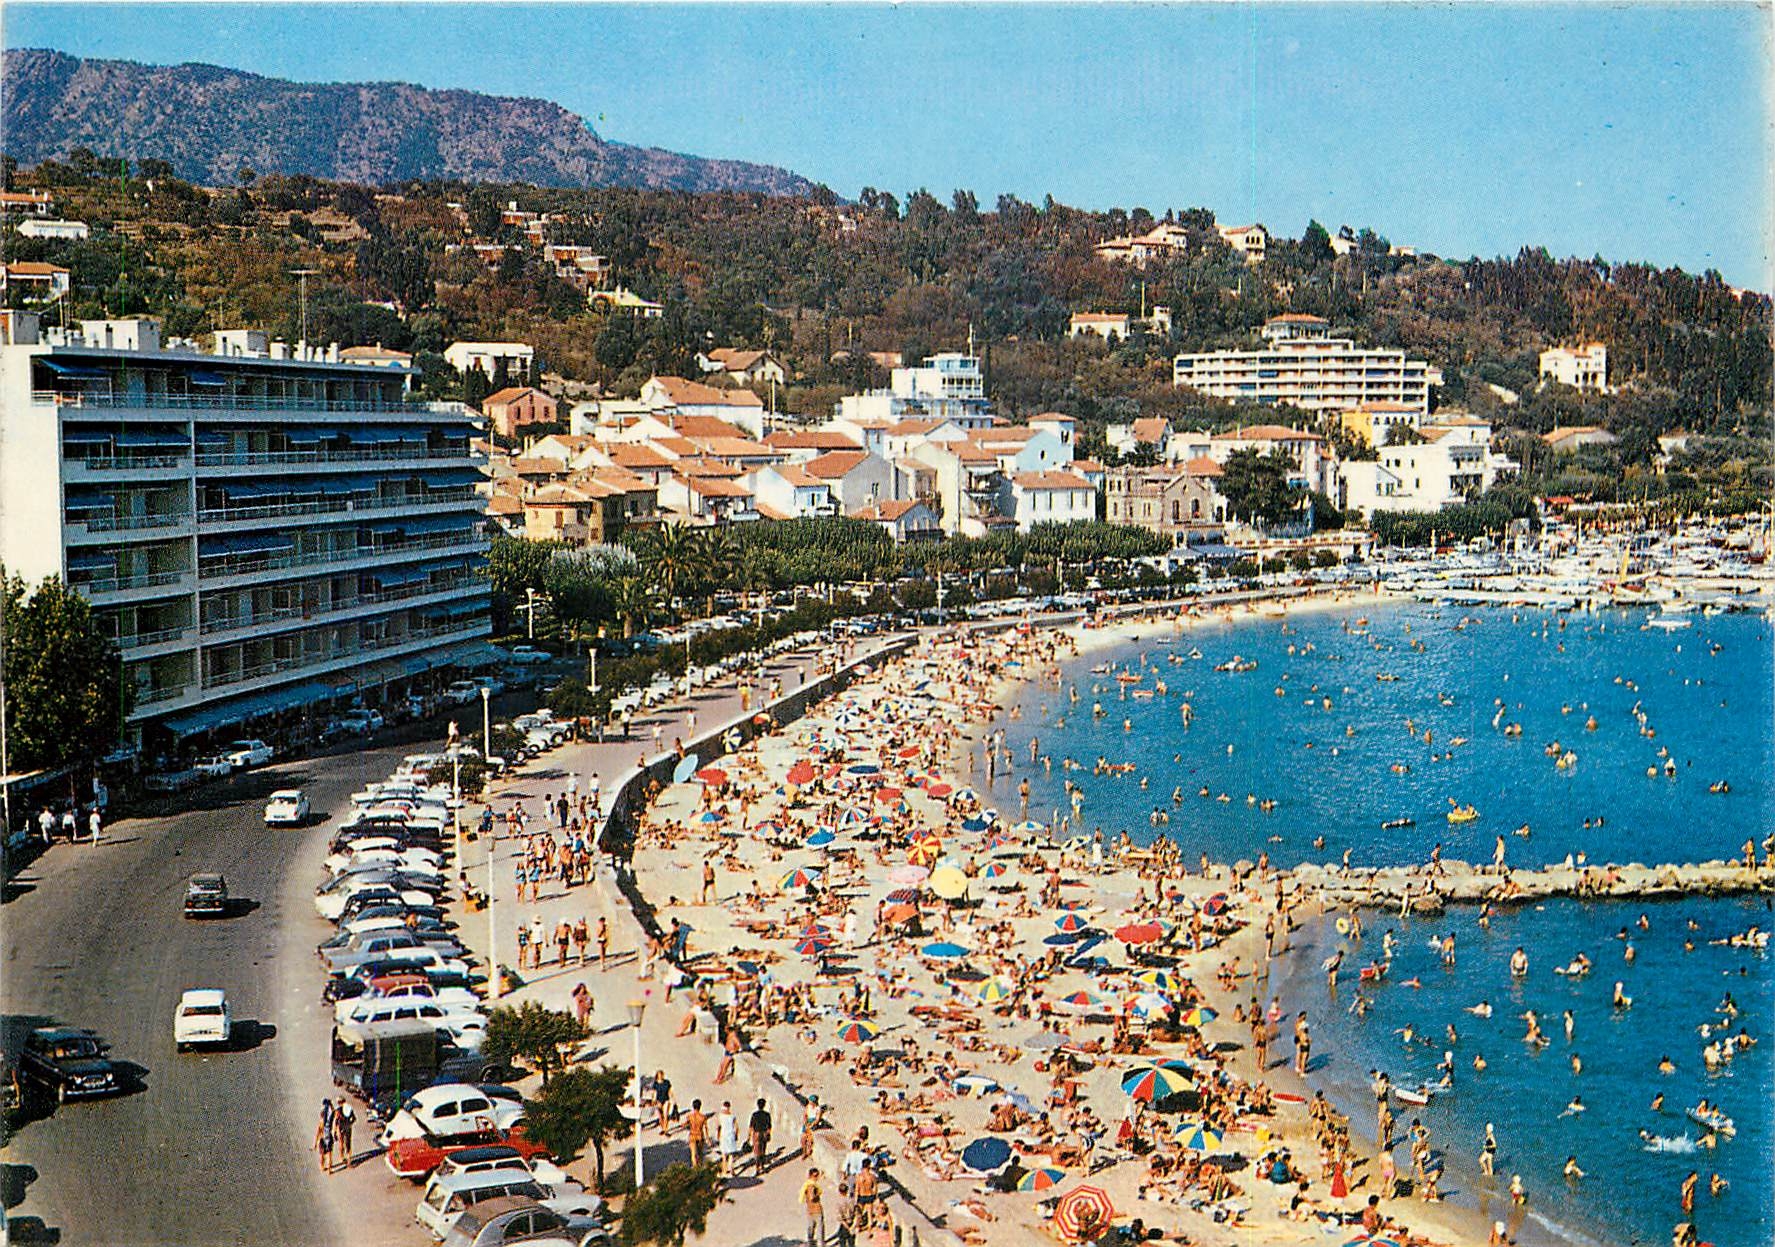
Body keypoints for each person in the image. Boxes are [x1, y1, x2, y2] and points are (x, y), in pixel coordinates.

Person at [799, 1167, 827, 1247]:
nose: (817, 1177)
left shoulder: (806, 1185)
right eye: (815, 1176)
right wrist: (817, 1194)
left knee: (810, 1228)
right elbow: (812, 1197)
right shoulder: (812, 1186)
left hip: (809, 1210)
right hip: (817, 1209)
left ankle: (810, 1243)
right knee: (820, 1228)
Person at [716, 1101, 741, 1176]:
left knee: (724, 1155)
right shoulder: (732, 1116)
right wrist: (736, 1135)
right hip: (731, 1135)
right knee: (731, 1154)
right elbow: (737, 1127)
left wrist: (718, 1136)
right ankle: (731, 1170)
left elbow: (718, 1127)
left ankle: (724, 1170)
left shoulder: (720, 1116)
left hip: (724, 1136)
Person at [749, 1097, 773, 1174]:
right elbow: (769, 1126)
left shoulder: (754, 1115)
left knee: (757, 1152)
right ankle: (762, 1166)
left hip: (757, 1134)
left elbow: (751, 1126)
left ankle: (757, 1168)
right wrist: (768, 1134)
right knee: (763, 1150)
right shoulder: (767, 1115)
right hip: (764, 1133)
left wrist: (749, 1136)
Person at [314, 1100, 337, 1173]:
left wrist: (315, 1144)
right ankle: (330, 1170)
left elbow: (318, 1133)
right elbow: (334, 1112)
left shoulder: (321, 1123)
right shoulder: (329, 1122)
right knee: (330, 1154)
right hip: (329, 1137)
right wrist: (331, 1104)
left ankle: (322, 1167)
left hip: (322, 1139)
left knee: (322, 1155)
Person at [336, 1101, 355, 1166]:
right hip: (348, 1128)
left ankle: (342, 1157)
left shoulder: (338, 1110)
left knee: (341, 1143)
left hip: (341, 1127)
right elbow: (354, 1119)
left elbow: (336, 1120)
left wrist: (335, 1129)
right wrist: (350, 1124)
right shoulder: (350, 1109)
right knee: (348, 1144)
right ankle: (349, 1160)